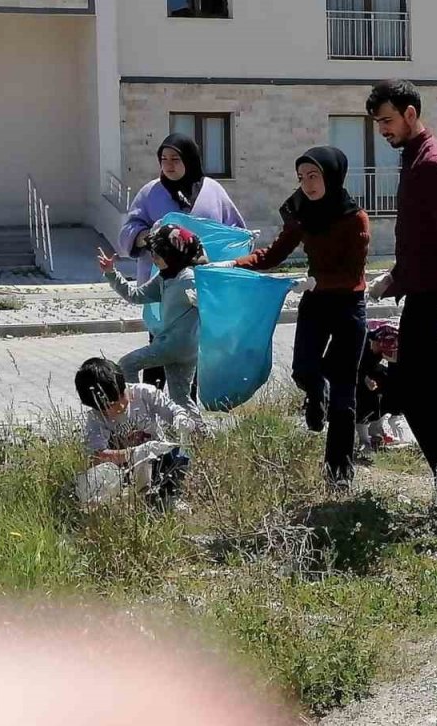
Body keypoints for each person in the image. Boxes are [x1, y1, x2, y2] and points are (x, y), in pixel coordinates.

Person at [209, 147, 368, 487]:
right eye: (301, 178)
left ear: (331, 176)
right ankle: (316, 392)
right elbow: (273, 254)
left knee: (344, 394)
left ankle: (339, 473)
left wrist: (315, 280)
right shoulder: (303, 214)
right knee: (304, 370)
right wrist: (232, 264)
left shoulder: (355, 218)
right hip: (315, 304)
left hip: (348, 307)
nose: (307, 184)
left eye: (313, 176)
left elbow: (354, 273)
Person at [364, 79, 437, 529]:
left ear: (411, 113)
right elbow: (421, 239)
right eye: (378, 123)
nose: (383, 130)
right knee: (413, 395)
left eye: (388, 121)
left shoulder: (433, 163)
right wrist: (394, 278)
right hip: (423, 293)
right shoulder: (414, 160)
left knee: (436, 400)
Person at [116, 133, 246, 389]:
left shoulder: (213, 191)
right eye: (164, 159)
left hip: (199, 290)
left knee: (193, 353)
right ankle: (151, 412)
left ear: (190, 160)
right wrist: (146, 236)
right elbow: (127, 231)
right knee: (157, 351)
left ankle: (188, 410)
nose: (169, 165)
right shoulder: (150, 192)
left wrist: (239, 261)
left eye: (175, 159)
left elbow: (234, 231)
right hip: (162, 289)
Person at [98, 224, 204, 411]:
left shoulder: (188, 279)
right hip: (184, 349)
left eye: (158, 253)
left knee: (126, 364)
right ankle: (200, 436)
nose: (153, 258)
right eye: (152, 252)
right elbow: (136, 295)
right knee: (181, 398)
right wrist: (111, 273)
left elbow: (208, 301)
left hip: (174, 345)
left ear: (172, 255)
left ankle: (140, 415)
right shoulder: (165, 276)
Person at [74, 357, 196, 509]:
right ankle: (127, 502)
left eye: (119, 400)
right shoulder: (96, 418)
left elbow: (172, 410)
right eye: (107, 407)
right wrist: (134, 453)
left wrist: (181, 419)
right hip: (125, 468)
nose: (116, 409)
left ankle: (169, 497)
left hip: (157, 460)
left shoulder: (144, 393)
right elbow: (97, 454)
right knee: (97, 479)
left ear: (123, 387)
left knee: (178, 455)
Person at [356, 319, 406, 451]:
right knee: (362, 396)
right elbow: (349, 368)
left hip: (370, 368)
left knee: (390, 384)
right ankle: (364, 440)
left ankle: (377, 430)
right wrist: (365, 379)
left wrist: (396, 411)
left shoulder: (393, 339)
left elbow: (396, 374)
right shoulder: (361, 343)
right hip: (349, 372)